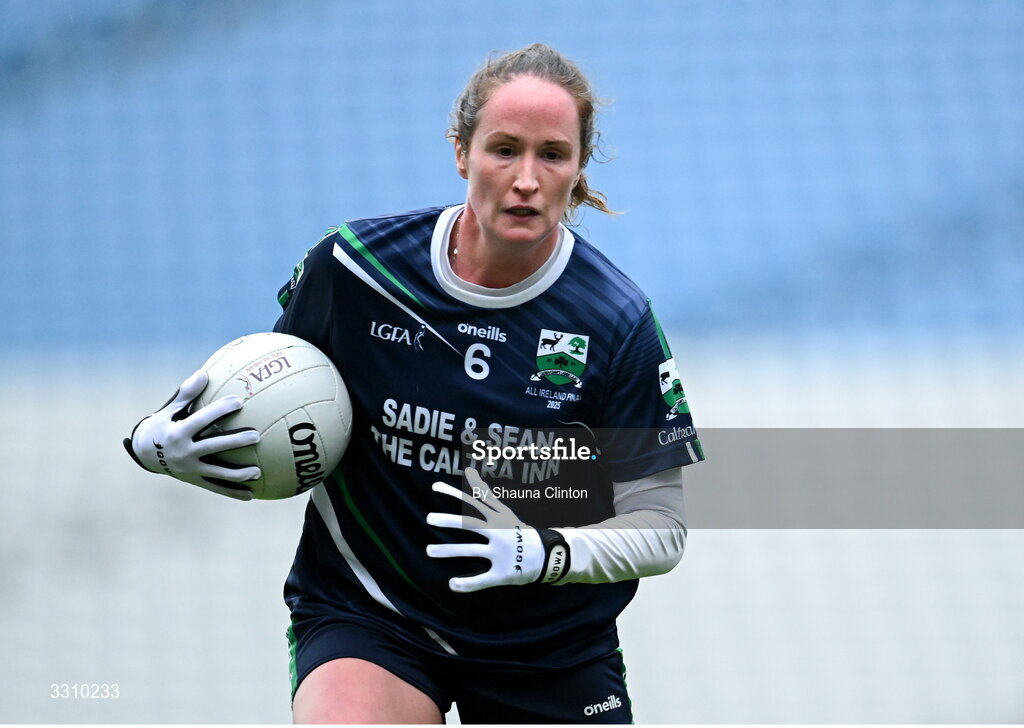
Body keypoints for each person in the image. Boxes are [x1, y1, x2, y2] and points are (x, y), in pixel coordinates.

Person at [123, 43, 704, 724]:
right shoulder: (358, 269)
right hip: (372, 614)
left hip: (550, 651)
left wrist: (545, 552)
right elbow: (262, 381)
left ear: (577, 169)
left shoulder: (614, 320)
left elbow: (661, 529)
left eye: (552, 154)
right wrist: (152, 439)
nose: (526, 178)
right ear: (461, 153)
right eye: (503, 149)